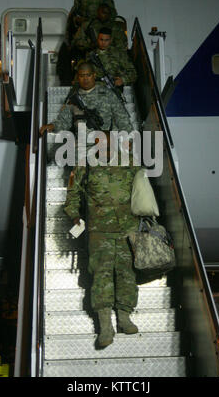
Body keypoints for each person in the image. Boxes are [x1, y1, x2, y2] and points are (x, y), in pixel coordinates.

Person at [64, 131, 140, 347]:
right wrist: (75, 216)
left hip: (128, 229)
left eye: (108, 142)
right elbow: (73, 195)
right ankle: (106, 327)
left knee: (127, 275)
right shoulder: (85, 164)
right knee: (101, 277)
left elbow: (143, 190)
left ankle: (125, 318)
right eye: (100, 142)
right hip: (99, 232)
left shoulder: (130, 162)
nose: (105, 146)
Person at [39, 61, 133, 138]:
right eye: (82, 76)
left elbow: (122, 118)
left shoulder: (108, 94)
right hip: (84, 145)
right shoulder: (74, 98)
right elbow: (64, 121)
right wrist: (52, 126)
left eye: (88, 75)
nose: (85, 79)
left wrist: (128, 138)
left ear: (94, 75)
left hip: (107, 142)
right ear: (78, 78)